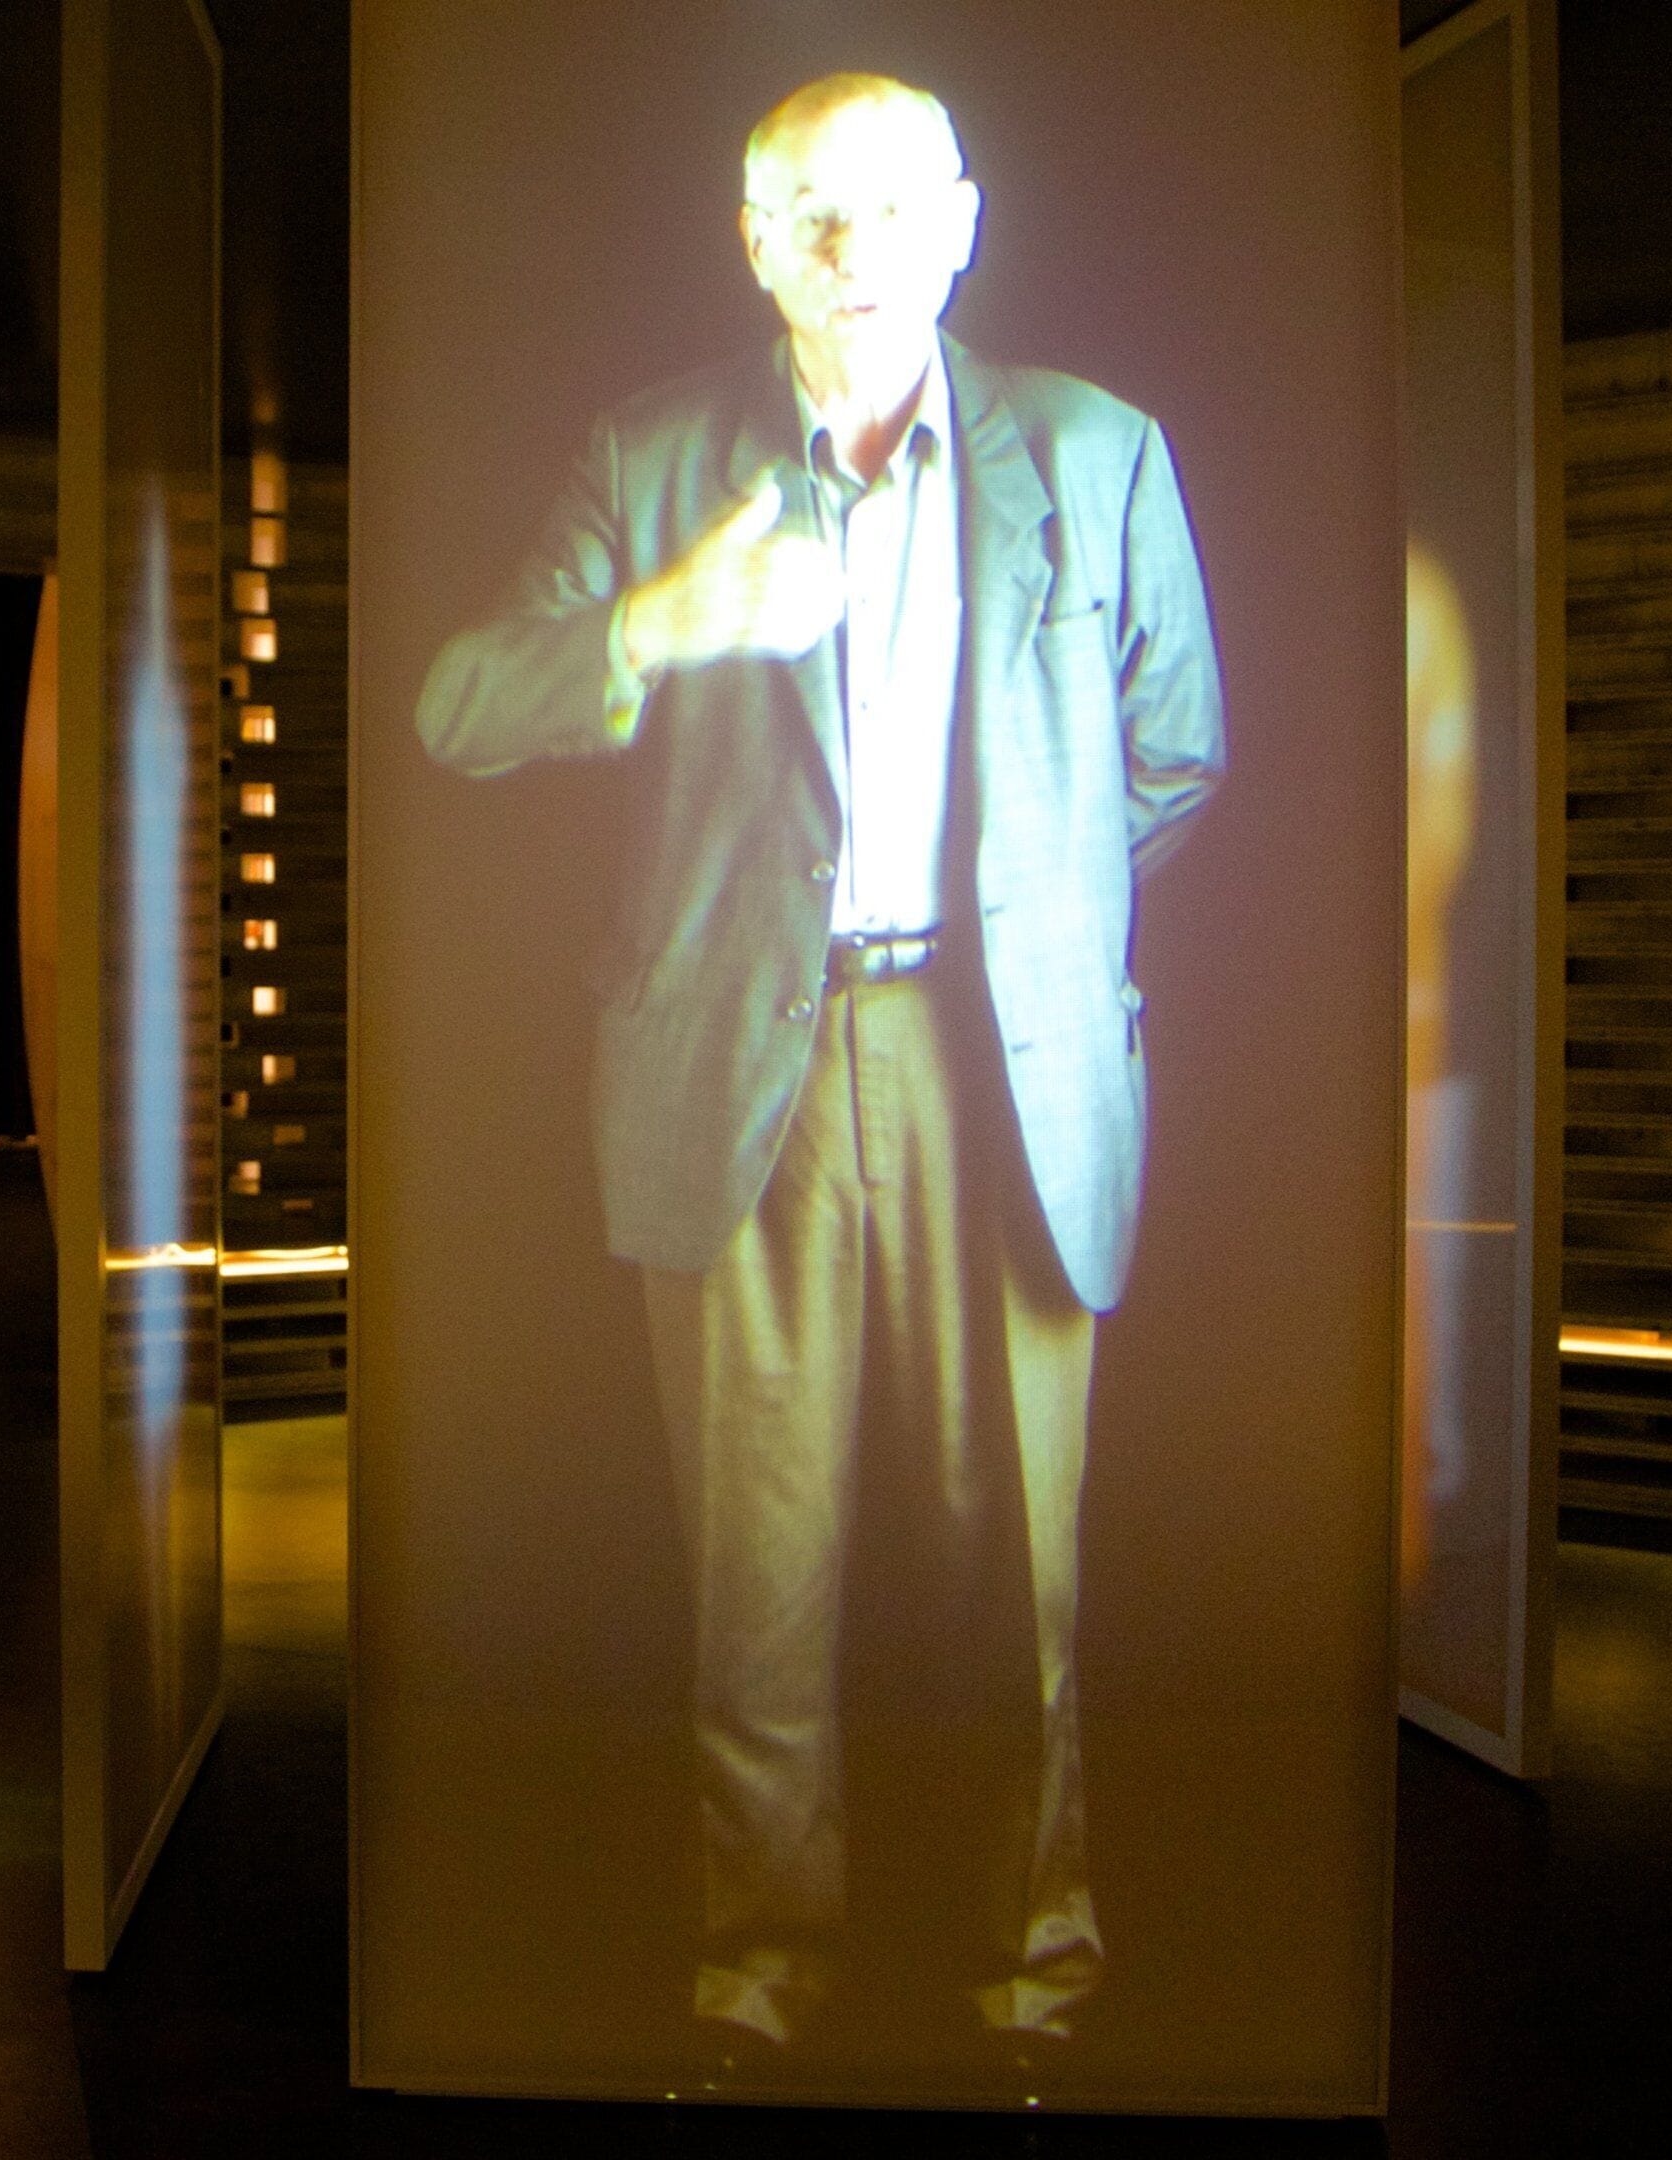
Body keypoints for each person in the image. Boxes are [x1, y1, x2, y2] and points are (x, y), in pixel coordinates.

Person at [413, 71, 1224, 2059]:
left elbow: (1176, 756)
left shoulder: (1104, 457)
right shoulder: (652, 454)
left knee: (1015, 1591)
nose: (853, 247)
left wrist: (1028, 912)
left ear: (965, 221)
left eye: (889, 205)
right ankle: (757, 1980)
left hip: (1002, 1072)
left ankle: (1031, 1969)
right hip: (738, 1087)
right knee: (752, 1595)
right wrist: (658, 623)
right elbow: (454, 709)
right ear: (752, 242)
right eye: (805, 211)